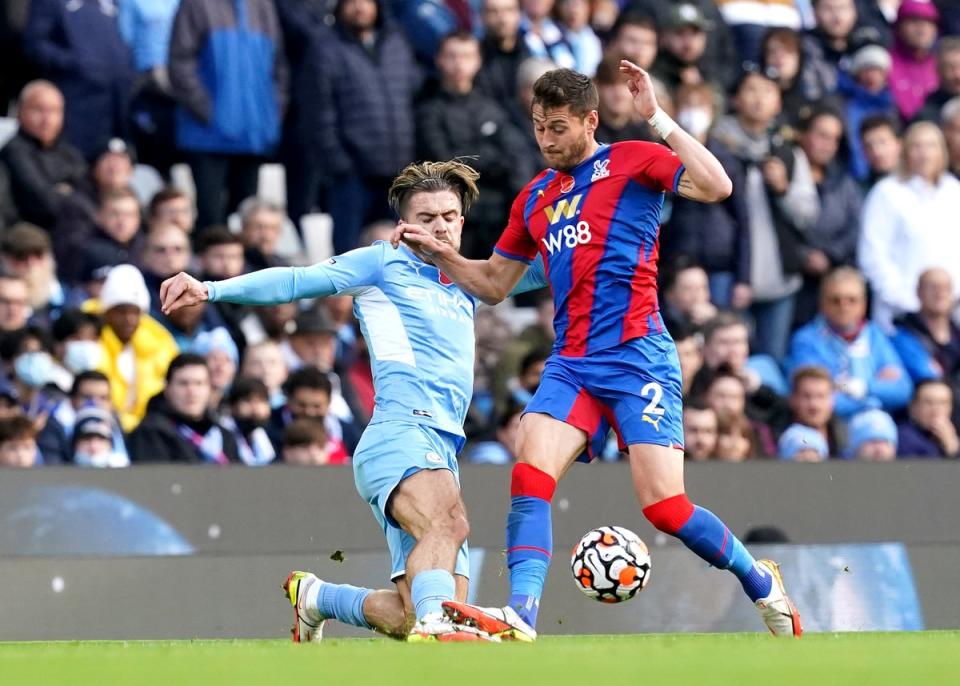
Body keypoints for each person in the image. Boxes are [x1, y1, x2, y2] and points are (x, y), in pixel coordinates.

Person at [393, 65, 802, 639]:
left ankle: (759, 580)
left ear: (590, 121)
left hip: (638, 356)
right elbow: (493, 283)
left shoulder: (634, 160)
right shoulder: (535, 196)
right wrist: (439, 252)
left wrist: (656, 118)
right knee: (529, 469)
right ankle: (523, 615)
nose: (546, 139)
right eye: (538, 126)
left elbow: (717, 185)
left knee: (665, 508)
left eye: (558, 127)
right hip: (573, 363)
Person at [160, 160, 546, 641]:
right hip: (401, 433)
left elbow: (550, 268)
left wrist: (604, 233)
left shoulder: (471, 282)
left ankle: (318, 598)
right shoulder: (382, 263)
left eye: (449, 215)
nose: (441, 225)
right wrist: (211, 288)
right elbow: (297, 281)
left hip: (442, 448)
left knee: (413, 610)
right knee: (449, 525)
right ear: (404, 227)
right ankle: (437, 627)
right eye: (427, 218)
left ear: (463, 223)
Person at [168, 0, 288, 230]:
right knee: (211, 219)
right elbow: (180, 63)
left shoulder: (262, 5)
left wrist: (270, 116)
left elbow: (278, 64)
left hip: (253, 134)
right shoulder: (197, 4)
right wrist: (210, 112)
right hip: (207, 137)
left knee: (248, 222)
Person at [859, 121, 960, 330]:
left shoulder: (954, 191)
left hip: (952, 313)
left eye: (931, 146)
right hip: (902, 313)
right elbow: (872, 255)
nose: (924, 154)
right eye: (917, 146)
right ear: (905, 151)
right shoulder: (886, 192)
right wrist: (906, 301)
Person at [786, 267, 912, 419]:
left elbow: (903, 390)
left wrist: (861, 387)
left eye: (852, 300)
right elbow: (818, 399)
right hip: (832, 426)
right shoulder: (806, 340)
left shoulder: (874, 335)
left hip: (877, 425)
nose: (844, 307)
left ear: (864, 305)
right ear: (822, 304)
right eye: (835, 300)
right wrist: (874, 398)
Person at [87, 264, 179, 432]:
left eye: (135, 312)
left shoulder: (160, 344)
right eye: (121, 312)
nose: (129, 319)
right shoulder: (90, 342)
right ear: (107, 313)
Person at [0, 80, 87, 230]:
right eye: (38, 110)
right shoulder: (14, 152)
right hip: (27, 238)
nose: (47, 119)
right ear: (20, 112)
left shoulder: (70, 154)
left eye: (54, 111)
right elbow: (46, 203)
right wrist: (67, 192)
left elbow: (90, 195)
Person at [127, 353, 241, 464]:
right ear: (167, 389)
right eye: (183, 383)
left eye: (199, 383)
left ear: (209, 389)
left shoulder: (225, 437)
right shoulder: (149, 433)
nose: (191, 391)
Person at [889, 0, 940, 121]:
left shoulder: (942, 65)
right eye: (913, 21)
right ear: (899, 26)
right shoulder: (885, 63)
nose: (922, 28)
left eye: (928, 22)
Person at [896, 379, 960, 458]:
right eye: (928, 403)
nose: (936, 409)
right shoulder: (905, 438)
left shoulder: (954, 434)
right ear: (913, 406)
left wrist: (953, 447)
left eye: (943, 403)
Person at [857, 114, 901, 187]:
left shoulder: (920, 183)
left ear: (899, 144)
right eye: (869, 146)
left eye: (882, 142)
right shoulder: (858, 190)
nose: (877, 151)